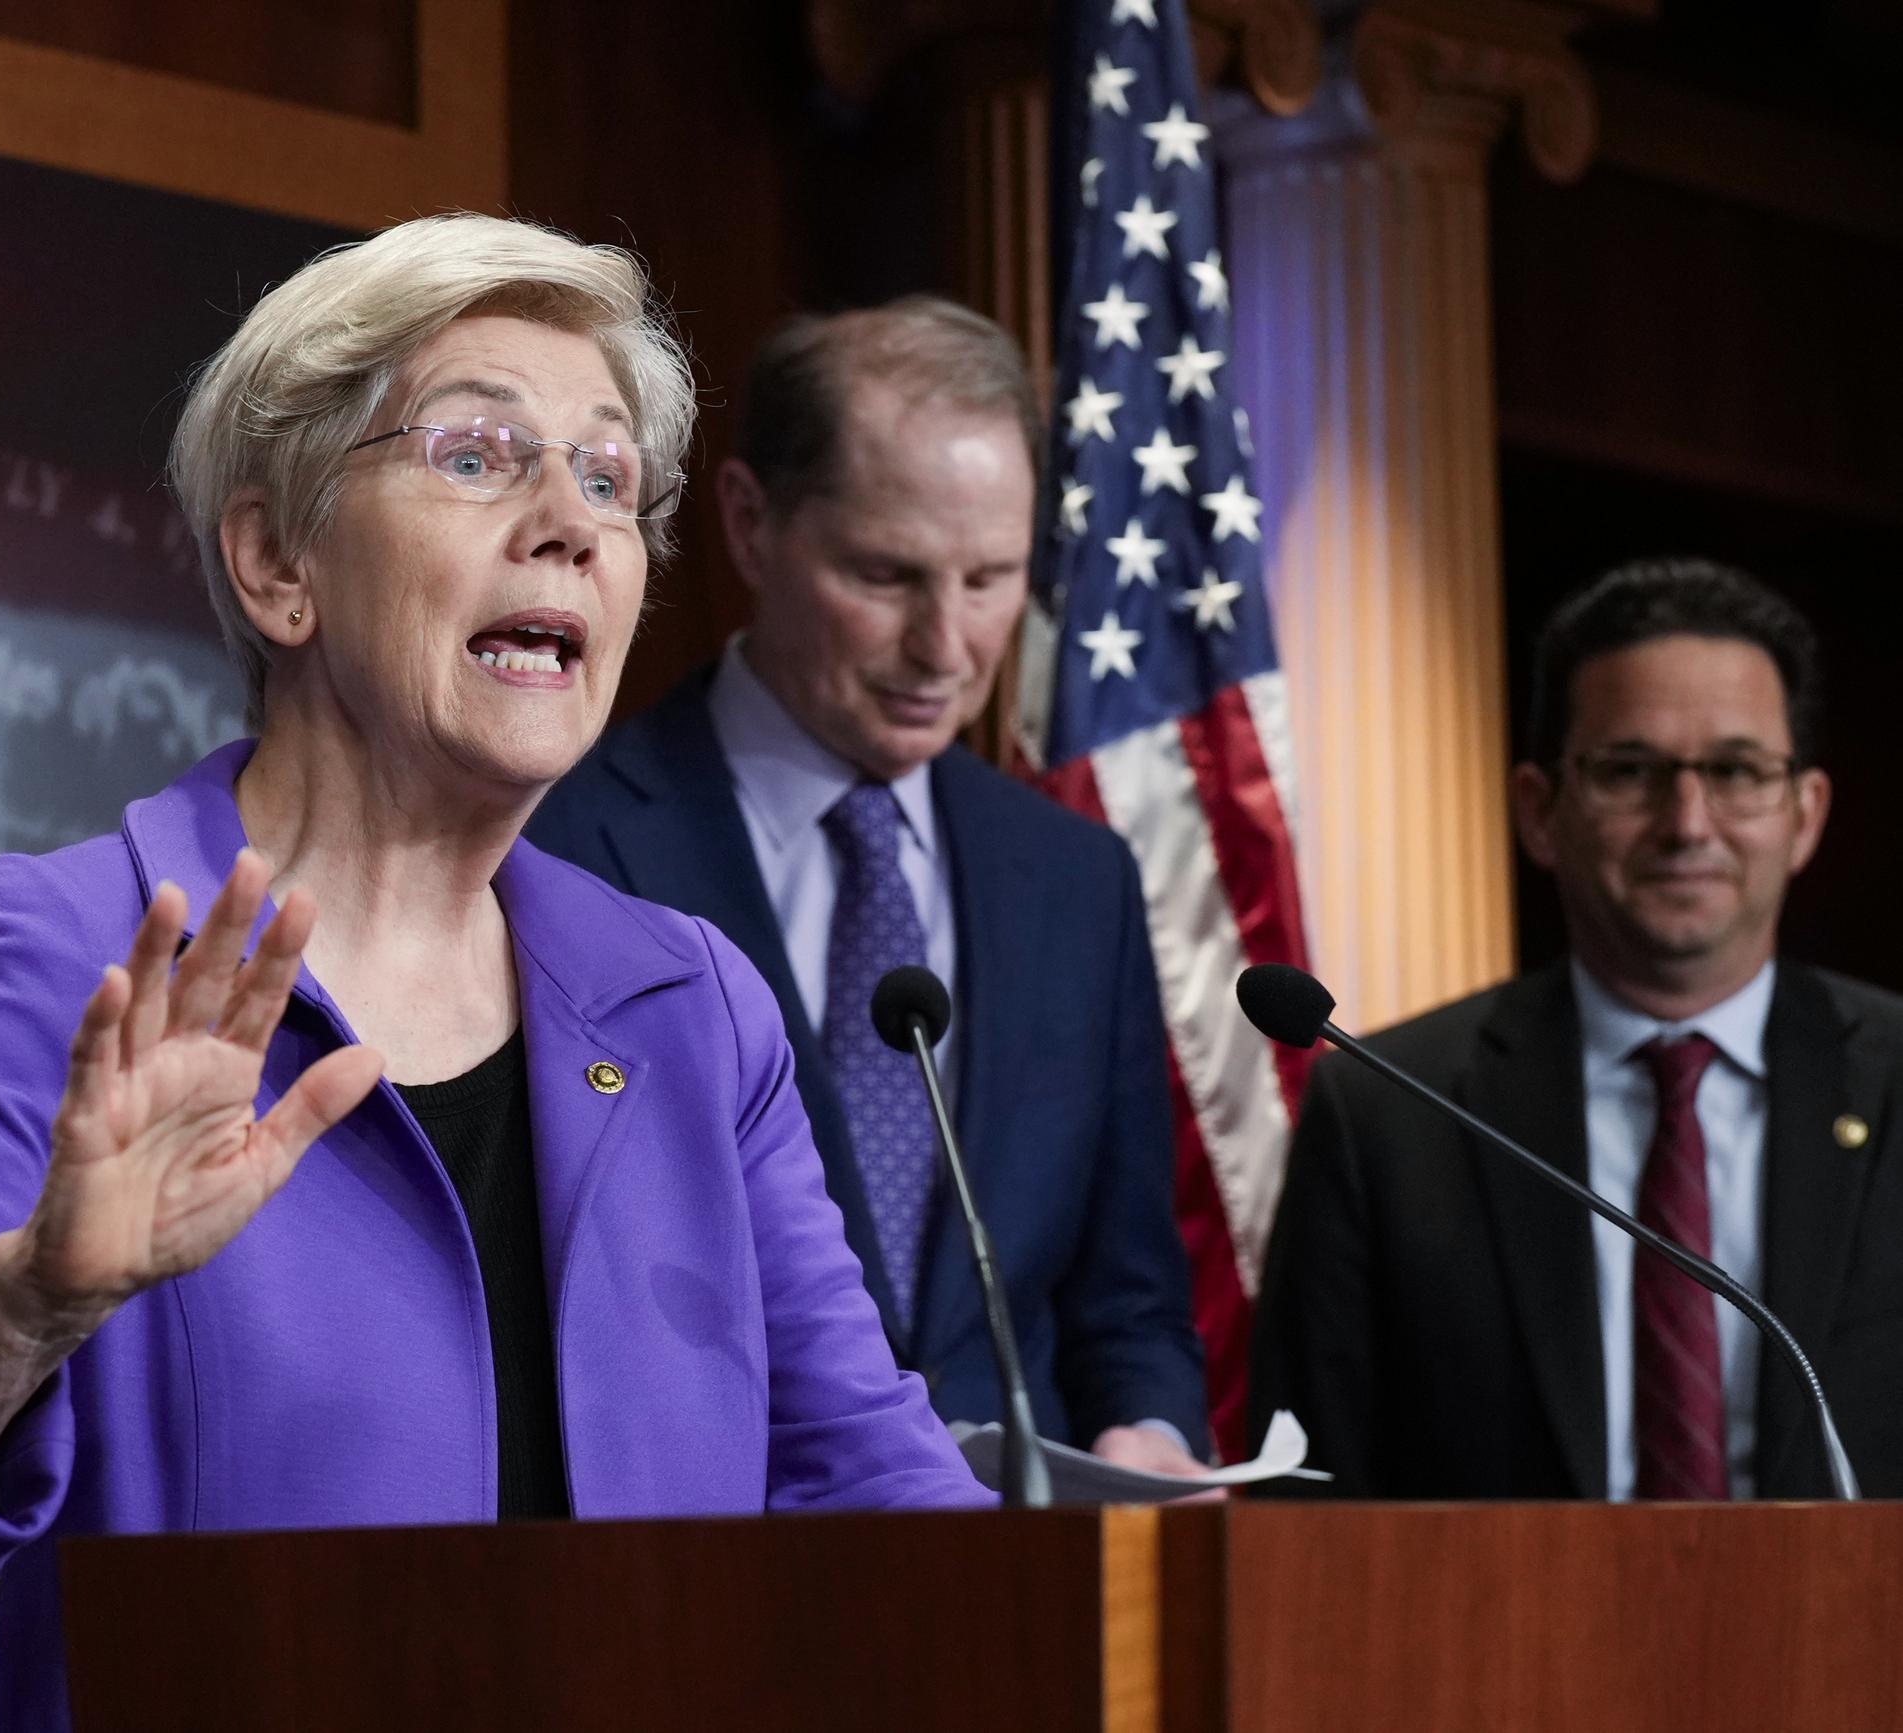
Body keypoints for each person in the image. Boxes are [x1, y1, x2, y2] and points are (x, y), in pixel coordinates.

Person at [0, 216, 985, 1728]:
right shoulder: (74, 954)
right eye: (480, 453)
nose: (568, 518)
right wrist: (26, 1307)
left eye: (609, 477)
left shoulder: (686, 1010)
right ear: (276, 561)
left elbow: (883, 1506)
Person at [528, 298, 1209, 1474]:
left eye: (991, 577)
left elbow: (1128, 1299)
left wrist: (1146, 1432)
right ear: (749, 524)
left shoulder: (1075, 880)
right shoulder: (563, 838)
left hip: (1018, 1583)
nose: (947, 645)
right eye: (887, 575)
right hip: (706, 1575)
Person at [1252, 558, 1903, 1499]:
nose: (1686, 822)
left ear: (1803, 817)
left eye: (1735, 771)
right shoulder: (1391, 1108)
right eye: (1629, 770)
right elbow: (1306, 1493)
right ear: (1539, 810)